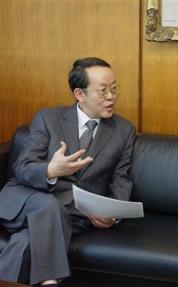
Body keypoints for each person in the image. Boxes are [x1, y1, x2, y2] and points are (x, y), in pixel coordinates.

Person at [0, 57, 136, 286]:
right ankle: (49, 280)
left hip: (71, 216)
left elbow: (121, 178)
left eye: (114, 88)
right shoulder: (48, 119)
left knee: (26, 243)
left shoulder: (124, 131)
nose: (111, 96)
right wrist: (50, 171)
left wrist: (113, 213)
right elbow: (22, 168)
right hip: (26, 201)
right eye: (102, 91)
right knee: (49, 205)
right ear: (79, 94)